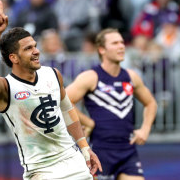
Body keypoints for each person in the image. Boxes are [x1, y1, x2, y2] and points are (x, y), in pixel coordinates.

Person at [0, 0, 102, 180]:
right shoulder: (6, 88)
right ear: (14, 57)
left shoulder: (53, 74)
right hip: (41, 171)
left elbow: (68, 110)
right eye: (28, 49)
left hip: (73, 160)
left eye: (35, 46)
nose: (36, 51)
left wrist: (85, 148)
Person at [65, 28, 157, 180]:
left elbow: (151, 103)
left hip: (127, 151)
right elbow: (63, 102)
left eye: (122, 42)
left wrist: (145, 129)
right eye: (115, 43)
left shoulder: (131, 76)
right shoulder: (91, 77)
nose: (121, 46)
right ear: (101, 49)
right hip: (99, 150)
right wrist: (87, 122)